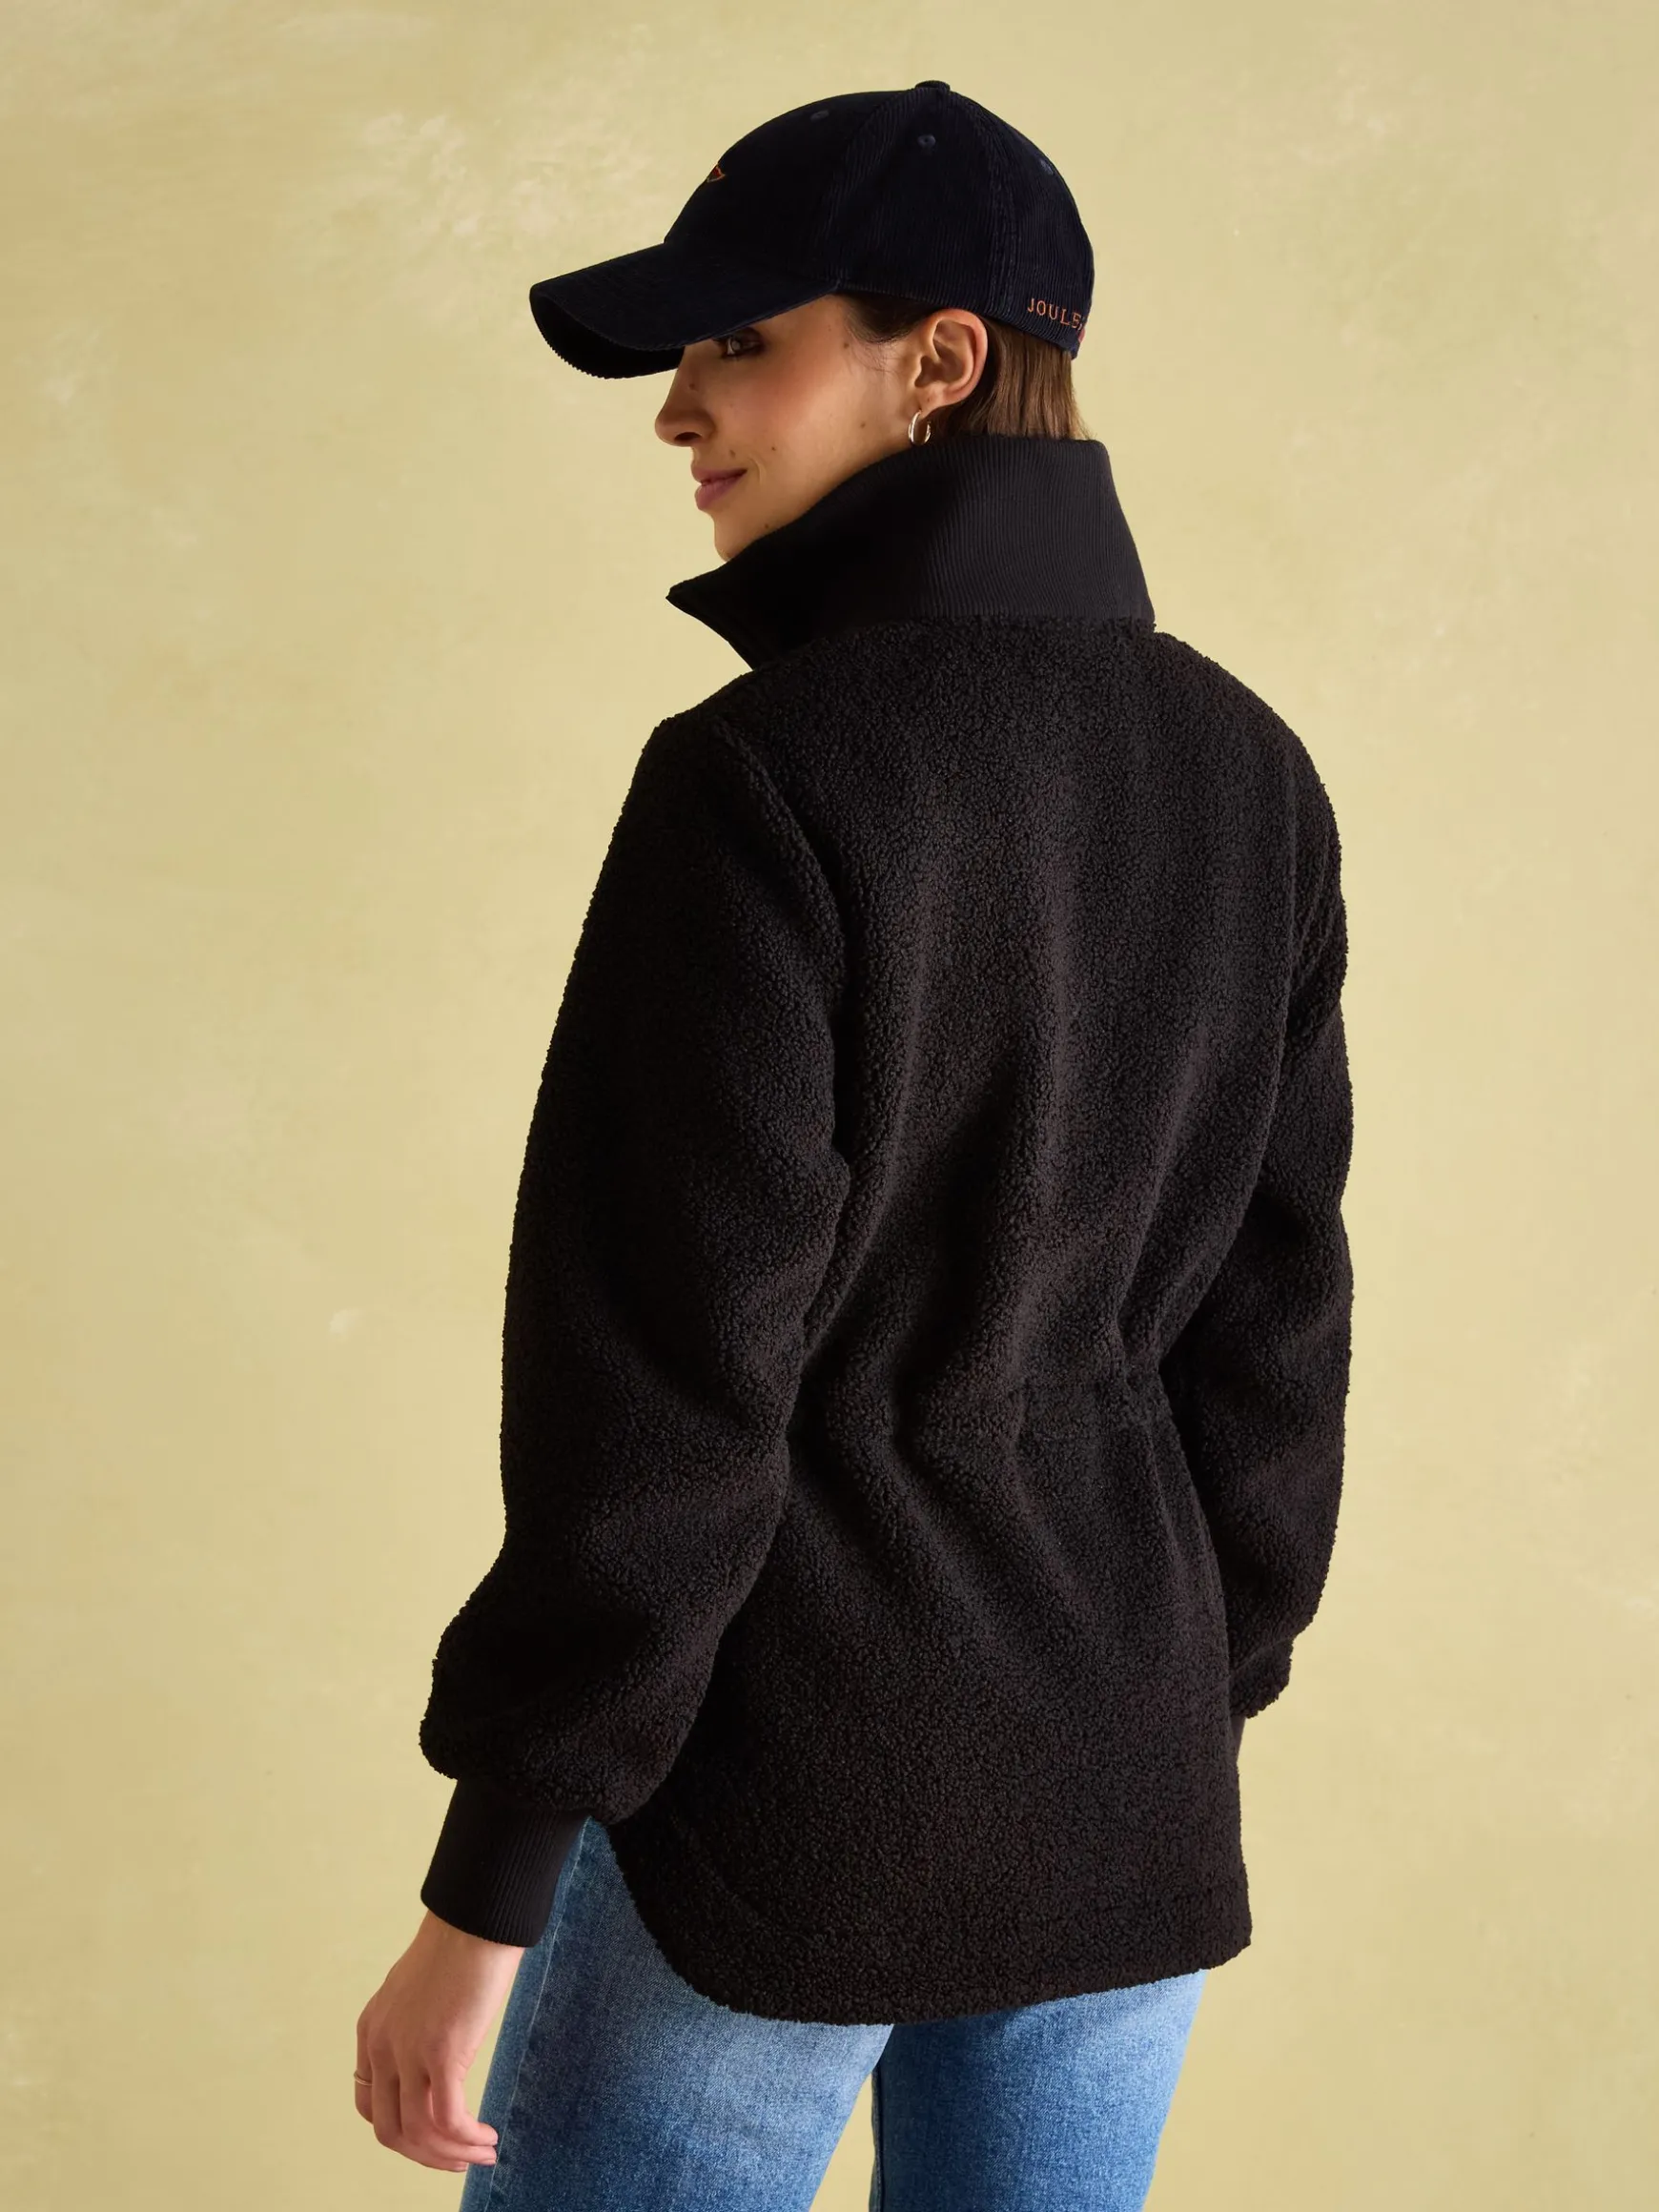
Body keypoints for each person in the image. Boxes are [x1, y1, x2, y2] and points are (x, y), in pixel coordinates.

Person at [354, 81, 1355, 2210]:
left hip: (783, 1814)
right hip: (1127, 1790)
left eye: (742, 341)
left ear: (940, 360)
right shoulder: (1248, 772)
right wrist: (1180, 1681)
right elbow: (1278, 1329)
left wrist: (488, 1881)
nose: (678, 409)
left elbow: (661, 1390)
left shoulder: (762, 778)